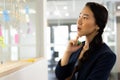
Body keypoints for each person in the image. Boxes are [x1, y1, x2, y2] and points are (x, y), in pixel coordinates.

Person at [55, 2, 116, 80]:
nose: (79, 21)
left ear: (97, 25)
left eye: (85, 17)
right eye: (79, 16)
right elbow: (60, 75)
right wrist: (68, 52)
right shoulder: (77, 46)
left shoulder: (106, 55)